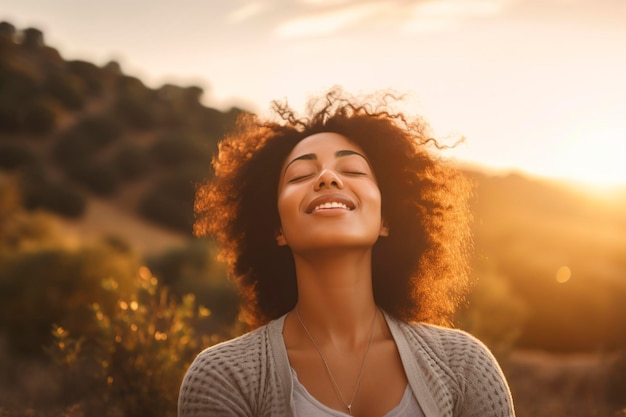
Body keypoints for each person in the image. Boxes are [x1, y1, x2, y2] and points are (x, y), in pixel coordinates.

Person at [178, 88, 515, 417]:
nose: (327, 177)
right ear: (276, 229)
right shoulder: (224, 377)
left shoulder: (464, 365)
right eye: (300, 175)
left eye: (352, 171)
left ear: (385, 220)